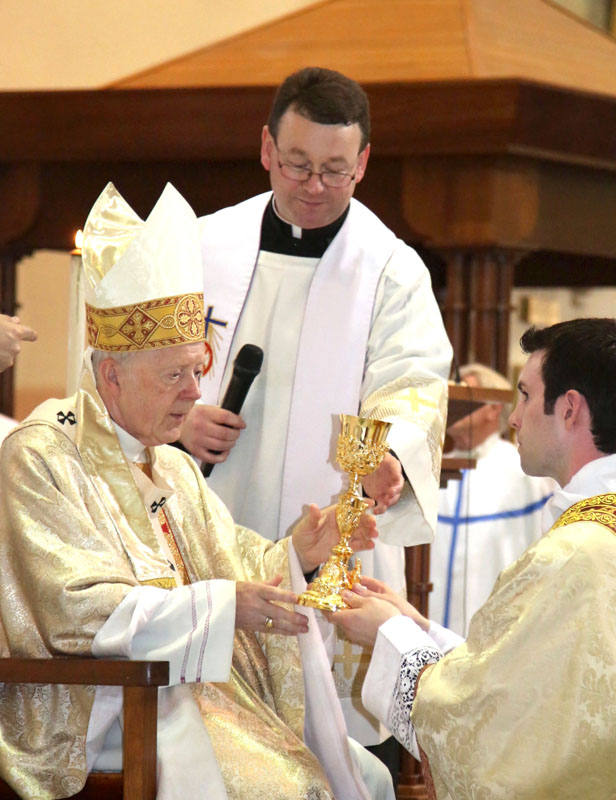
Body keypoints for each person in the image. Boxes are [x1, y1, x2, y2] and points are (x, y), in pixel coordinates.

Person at [0, 183, 393, 800]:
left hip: (192, 685)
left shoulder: (173, 466)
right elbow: (73, 612)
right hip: (99, 702)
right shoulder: (42, 454)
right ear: (111, 374)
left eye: (197, 369)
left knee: (365, 774)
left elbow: (234, 568)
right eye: (174, 375)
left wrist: (300, 553)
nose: (193, 392)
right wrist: (222, 607)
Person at [329, 318, 616, 800]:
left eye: (523, 395)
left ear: (569, 408)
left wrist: (384, 635)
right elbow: (523, 679)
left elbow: (485, 725)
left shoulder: (577, 552)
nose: (514, 417)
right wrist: (414, 625)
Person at [178, 66, 451, 744]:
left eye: (336, 171)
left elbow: (414, 379)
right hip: (206, 535)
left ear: (363, 162)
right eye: (298, 166)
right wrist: (180, 422)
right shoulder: (201, 245)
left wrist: (390, 450)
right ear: (267, 148)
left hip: (327, 542)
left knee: (327, 750)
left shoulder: (391, 268)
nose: (314, 189)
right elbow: (128, 372)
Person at [431, 363, 554, 635]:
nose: (452, 402)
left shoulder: (524, 472)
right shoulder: (429, 469)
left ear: (493, 407)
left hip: (498, 633)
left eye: (465, 394)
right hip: (430, 626)